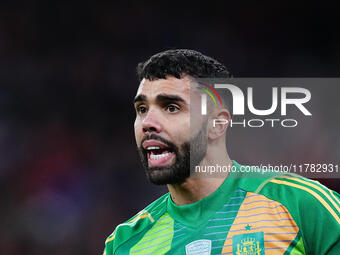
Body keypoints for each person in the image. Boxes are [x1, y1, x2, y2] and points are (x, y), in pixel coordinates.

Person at [103, 49, 340, 255]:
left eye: (171, 107)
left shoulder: (301, 204)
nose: (147, 122)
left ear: (217, 124)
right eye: (142, 109)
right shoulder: (125, 244)